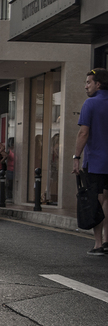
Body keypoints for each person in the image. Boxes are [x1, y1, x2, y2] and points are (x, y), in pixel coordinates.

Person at [72, 68, 108, 255]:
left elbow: (83, 133)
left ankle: (98, 244)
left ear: (98, 84)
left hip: (97, 162)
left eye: (88, 82)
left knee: (98, 200)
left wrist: (76, 157)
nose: (86, 86)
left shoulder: (90, 104)